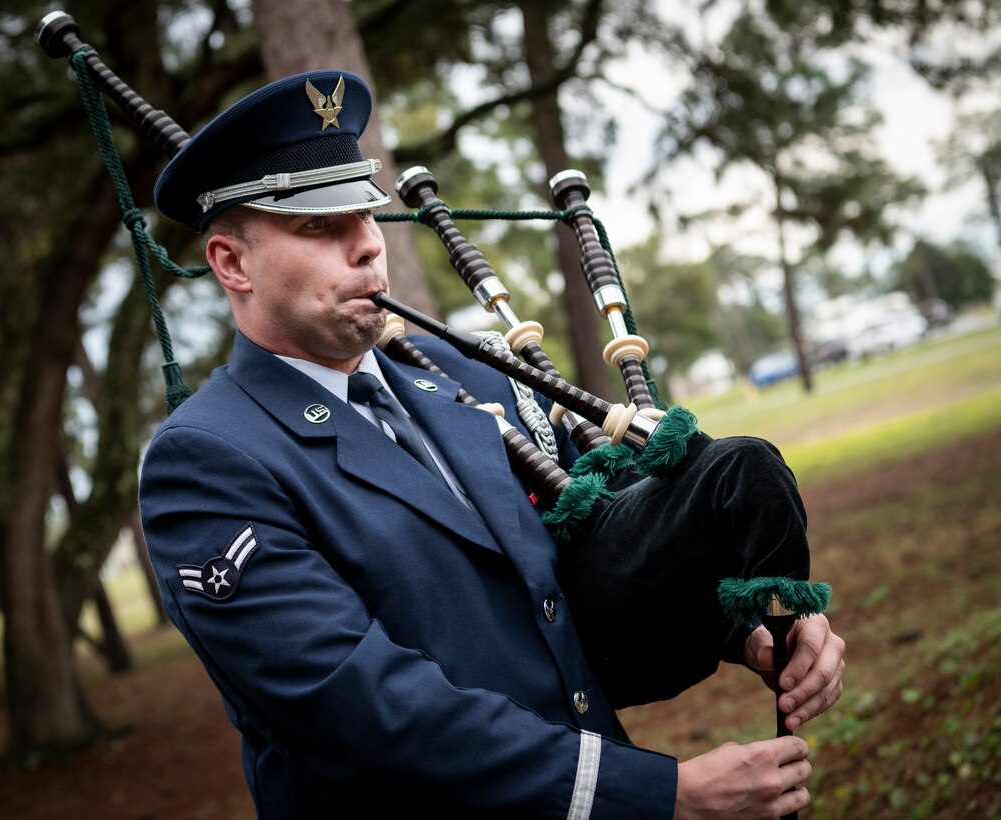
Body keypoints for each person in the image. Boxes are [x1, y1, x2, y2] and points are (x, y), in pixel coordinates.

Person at [139, 68, 845, 818]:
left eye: (367, 216)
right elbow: (362, 714)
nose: (367, 249)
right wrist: (661, 794)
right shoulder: (207, 460)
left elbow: (584, 566)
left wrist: (743, 632)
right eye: (320, 226)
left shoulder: (459, 372)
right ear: (231, 263)